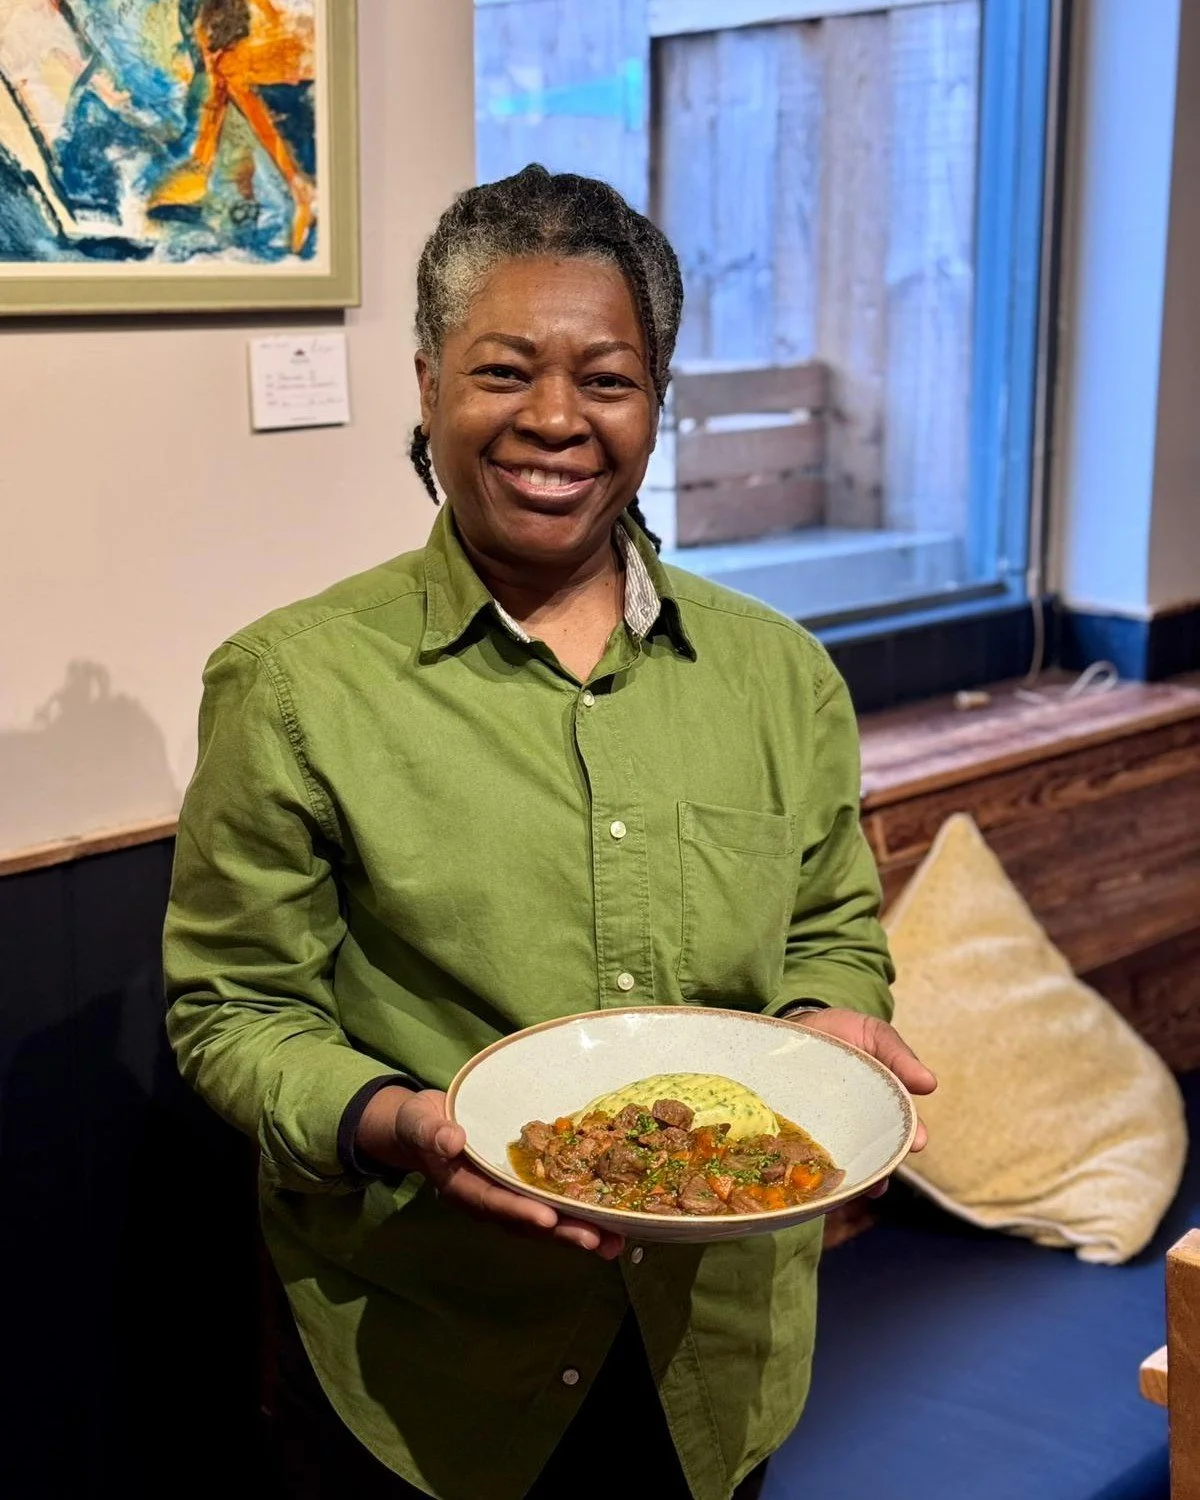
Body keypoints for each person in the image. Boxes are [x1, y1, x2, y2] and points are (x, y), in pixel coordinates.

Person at [164, 164, 936, 1500]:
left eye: (609, 378)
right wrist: (389, 1119)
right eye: (506, 371)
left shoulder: (781, 676)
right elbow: (233, 1008)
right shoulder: (293, 685)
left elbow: (829, 926)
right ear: (429, 386)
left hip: (720, 1353)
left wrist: (828, 1025)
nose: (556, 421)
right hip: (429, 1366)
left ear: (658, 403)